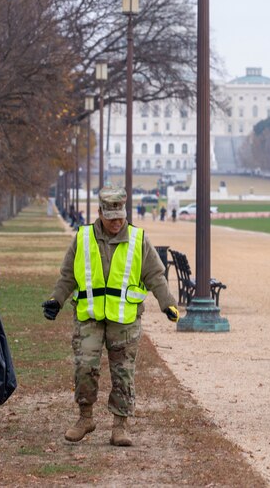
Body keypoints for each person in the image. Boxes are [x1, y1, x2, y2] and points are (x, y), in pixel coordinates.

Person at [42, 185, 179, 447]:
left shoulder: (138, 239)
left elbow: (155, 276)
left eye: (121, 218)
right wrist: (55, 300)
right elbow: (68, 276)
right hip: (89, 316)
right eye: (111, 218)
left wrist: (167, 304)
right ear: (100, 214)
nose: (117, 223)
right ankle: (85, 418)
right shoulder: (82, 238)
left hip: (124, 319)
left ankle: (120, 425)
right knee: (85, 366)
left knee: (123, 373)